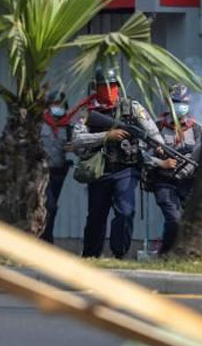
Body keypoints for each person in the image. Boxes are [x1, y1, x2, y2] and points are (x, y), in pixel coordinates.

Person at [71, 67, 165, 259]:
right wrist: (106, 136)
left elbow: (152, 131)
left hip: (126, 169)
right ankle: (90, 256)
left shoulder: (132, 107)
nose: (109, 90)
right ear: (96, 88)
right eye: (104, 86)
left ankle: (119, 253)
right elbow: (77, 141)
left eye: (112, 85)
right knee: (96, 216)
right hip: (99, 170)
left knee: (126, 212)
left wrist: (159, 146)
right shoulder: (87, 111)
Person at [151, 84, 202, 255]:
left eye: (183, 102)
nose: (180, 106)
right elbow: (142, 153)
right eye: (175, 102)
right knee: (174, 219)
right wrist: (160, 162)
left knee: (191, 221)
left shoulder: (196, 128)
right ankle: (165, 252)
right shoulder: (156, 126)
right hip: (164, 180)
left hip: (188, 182)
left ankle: (179, 253)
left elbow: (201, 156)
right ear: (169, 103)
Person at [39, 90, 75, 244]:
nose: (57, 107)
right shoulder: (40, 124)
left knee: (52, 209)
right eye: (55, 104)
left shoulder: (67, 127)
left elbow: (78, 148)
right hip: (41, 172)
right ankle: (45, 240)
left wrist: (73, 148)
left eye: (60, 105)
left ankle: (46, 238)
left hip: (59, 172)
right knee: (49, 206)